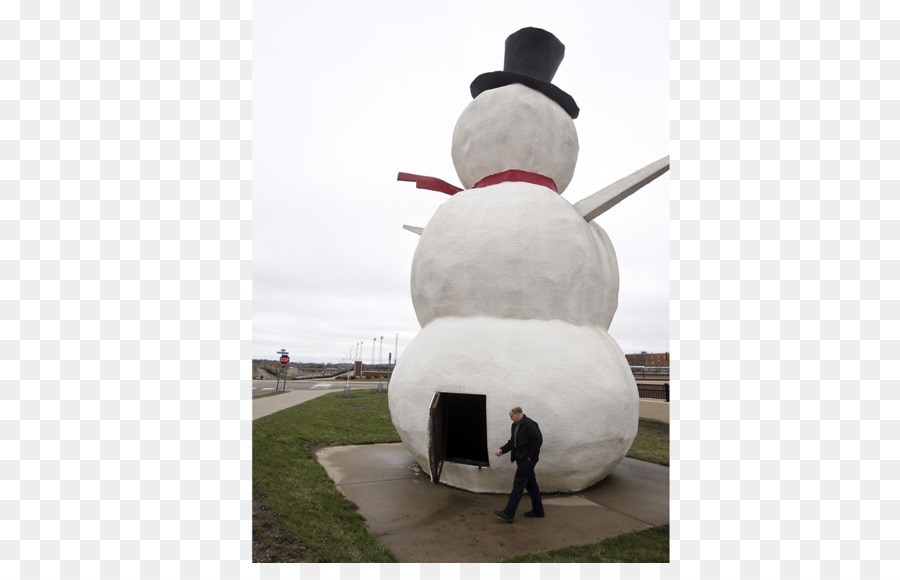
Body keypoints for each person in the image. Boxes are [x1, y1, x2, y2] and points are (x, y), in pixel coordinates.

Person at [493, 406, 544, 523]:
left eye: (511, 416)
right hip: (521, 459)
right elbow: (513, 441)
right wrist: (502, 450)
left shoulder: (530, 424)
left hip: (527, 461)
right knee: (532, 486)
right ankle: (538, 511)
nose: (511, 419)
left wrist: (530, 457)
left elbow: (538, 440)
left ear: (517, 414)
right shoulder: (515, 425)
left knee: (518, 484)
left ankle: (509, 513)